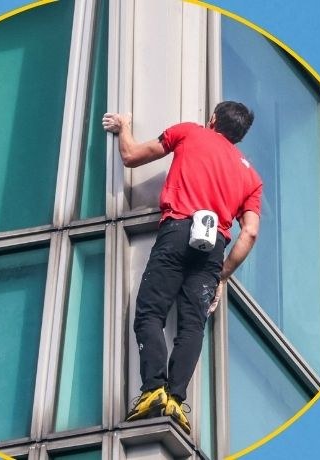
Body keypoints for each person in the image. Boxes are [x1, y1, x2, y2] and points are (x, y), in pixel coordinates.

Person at [102, 101, 263, 434]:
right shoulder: (251, 177)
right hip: (213, 248)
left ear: (213, 119)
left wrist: (124, 126)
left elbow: (131, 156)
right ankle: (176, 400)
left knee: (149, 313)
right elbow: (249, 232)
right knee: (192, 326)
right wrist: (222, 275)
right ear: (241, 136)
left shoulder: (189, 132)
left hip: (177, 229)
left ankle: (153, 391)